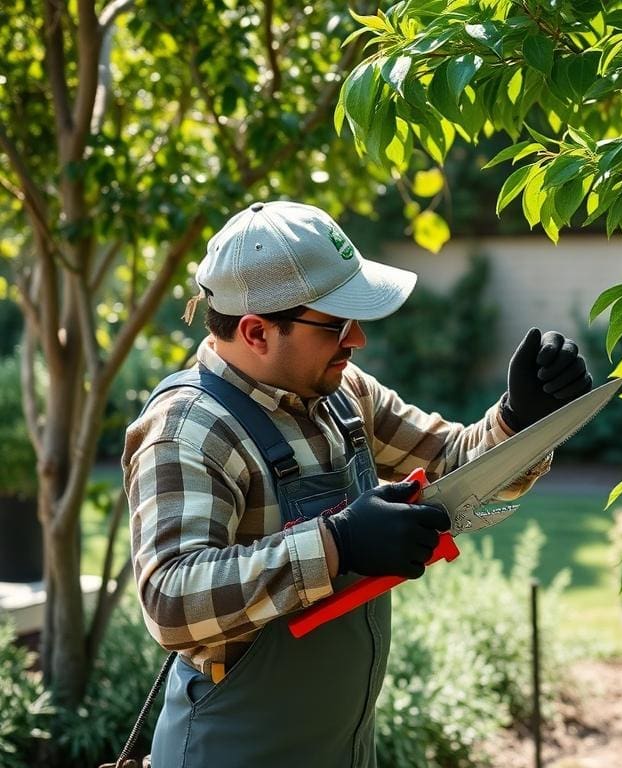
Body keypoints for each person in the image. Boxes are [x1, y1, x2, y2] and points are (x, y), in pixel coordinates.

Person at [122, 200, 593, 768]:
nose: (358, 340)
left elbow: (451, 463)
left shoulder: (344, 396)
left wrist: (520, 422)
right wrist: (337, 544)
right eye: (337, 323)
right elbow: (170, 599)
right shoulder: (189, 430)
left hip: (340, 745)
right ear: (257, 331)